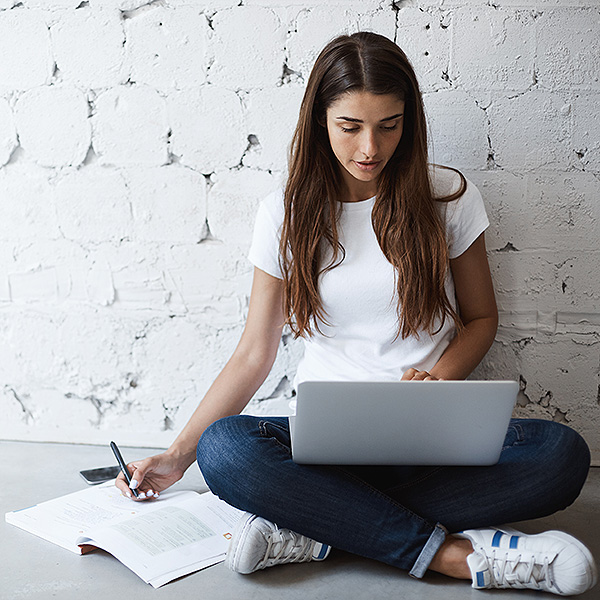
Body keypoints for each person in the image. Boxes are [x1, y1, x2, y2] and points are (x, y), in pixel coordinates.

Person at [116, 32, 597, 595]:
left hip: (429, 439)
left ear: (408, 122)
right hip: (324, 450)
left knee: (562, 455)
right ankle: (452, 556)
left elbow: (481, 319)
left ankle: (313, 529)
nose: (370, 147)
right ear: (320, 120)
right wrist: (178, 456)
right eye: (350, 126)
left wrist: (437, 383)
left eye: (388, 125)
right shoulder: (284, 213)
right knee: (225, 450)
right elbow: (254, 353)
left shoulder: (448, 197)